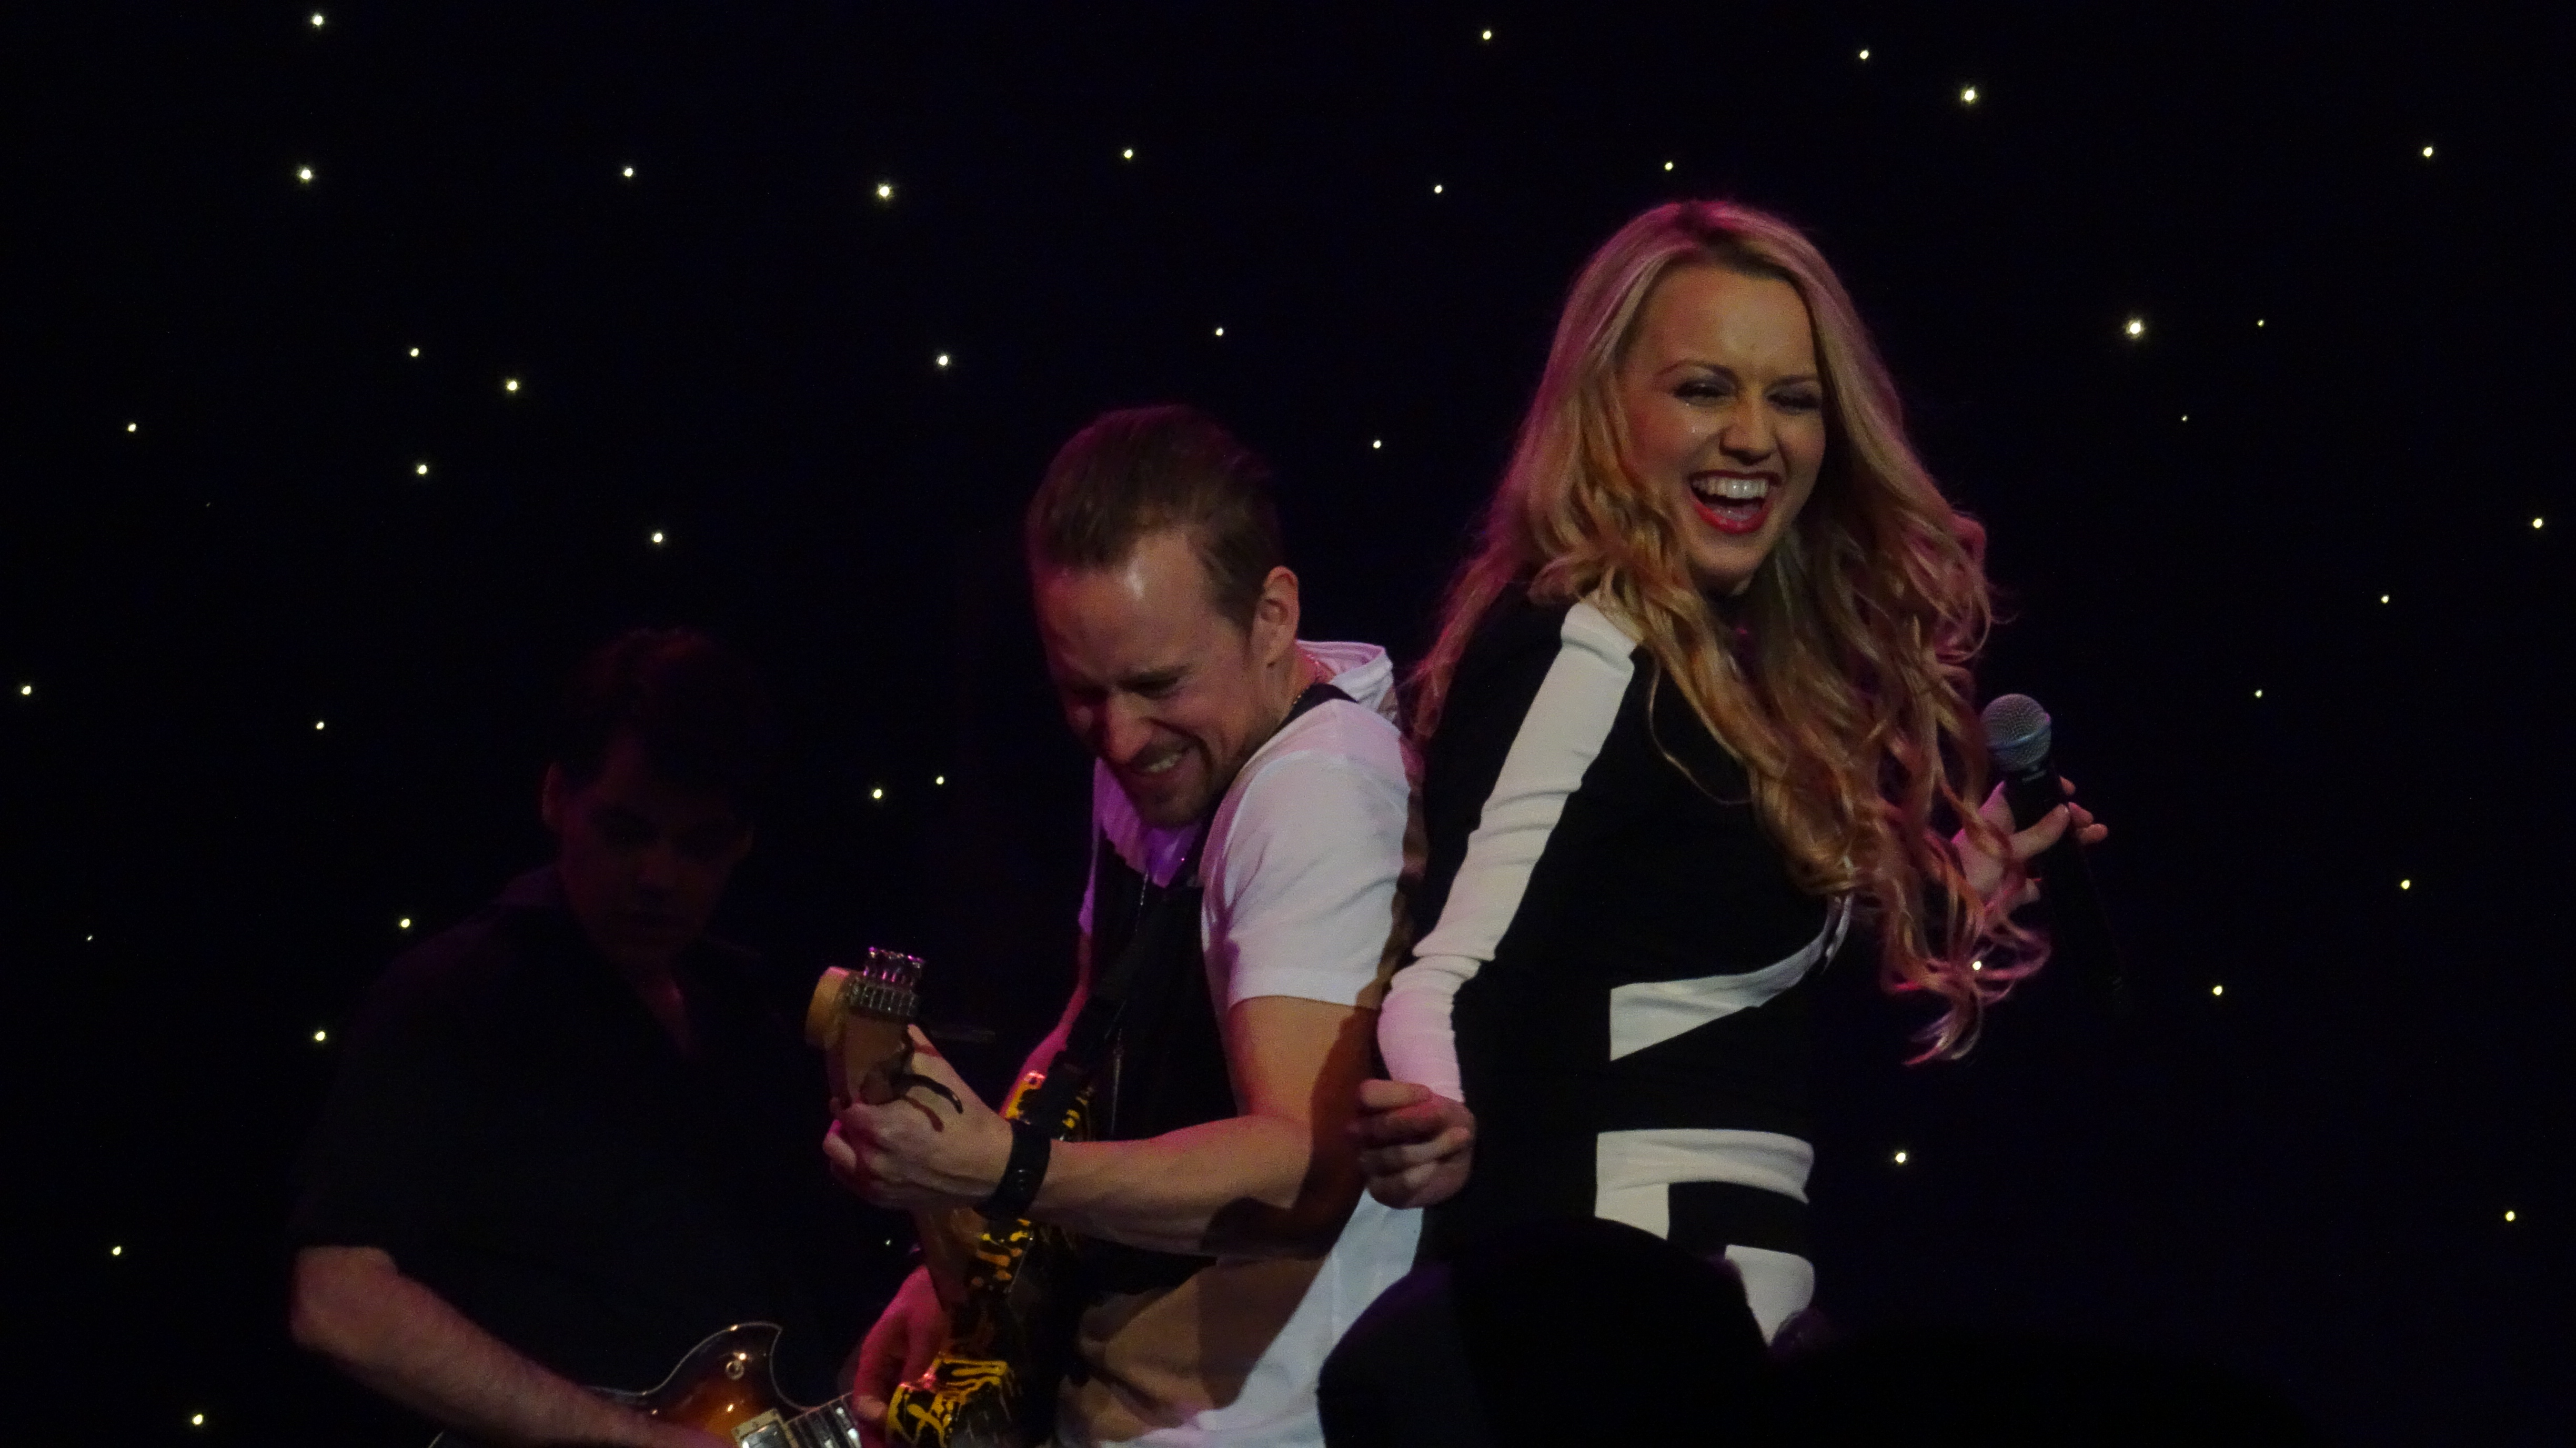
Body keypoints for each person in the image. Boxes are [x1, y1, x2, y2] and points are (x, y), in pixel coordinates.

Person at [1325, 200, 2107, 1443]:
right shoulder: (1588, 645)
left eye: (1793, 399)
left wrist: (1949, 882)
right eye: (1704, 388)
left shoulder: (1729, 670)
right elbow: (1454, 964)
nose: (1755, 436)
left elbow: (1688, 964)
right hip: (1605, 1323)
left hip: (1715, 1314)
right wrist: (1430, 1106)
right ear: (1605, 408)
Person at [826, 405, 1420, 1447]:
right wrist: (964, 1274)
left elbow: (1302, 1174)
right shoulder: (1168, 749)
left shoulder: (1319, 792)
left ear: (1273, 616)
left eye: (1156, 684)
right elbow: (1089, 1043)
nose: (1120, 736)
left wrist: (999, 1170)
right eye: (1082, 692)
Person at [289, 629, 891, 1447]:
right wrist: (630, 1439)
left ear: (744, 842)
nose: (659, 877)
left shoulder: (752, 1016)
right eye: (626, 831)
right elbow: (336, 1298)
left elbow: (823, 1309)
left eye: (700, 845)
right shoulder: (451, 996)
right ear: (555, 799)